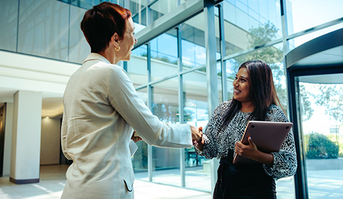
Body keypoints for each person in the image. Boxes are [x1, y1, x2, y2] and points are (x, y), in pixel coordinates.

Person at [60, 2, 202, 199]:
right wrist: (190, 132)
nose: (135, 40)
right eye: (132, 32)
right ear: (116, 38)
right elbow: (155, 132)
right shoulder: (111, 74)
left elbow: (70, 145)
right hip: (106, 190)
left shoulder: (75, 78)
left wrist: (124, 134)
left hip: (76, 189)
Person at [195, 60, 297, 199]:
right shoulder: (222, 110)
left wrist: (257, 155)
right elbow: (210, 148)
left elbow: (290, 164)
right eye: (236, 78)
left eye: (242, 80)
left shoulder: (273, 114)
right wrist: (200, 141)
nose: (235, 83)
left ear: (258, 85)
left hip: (258, 191)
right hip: (224, 189)